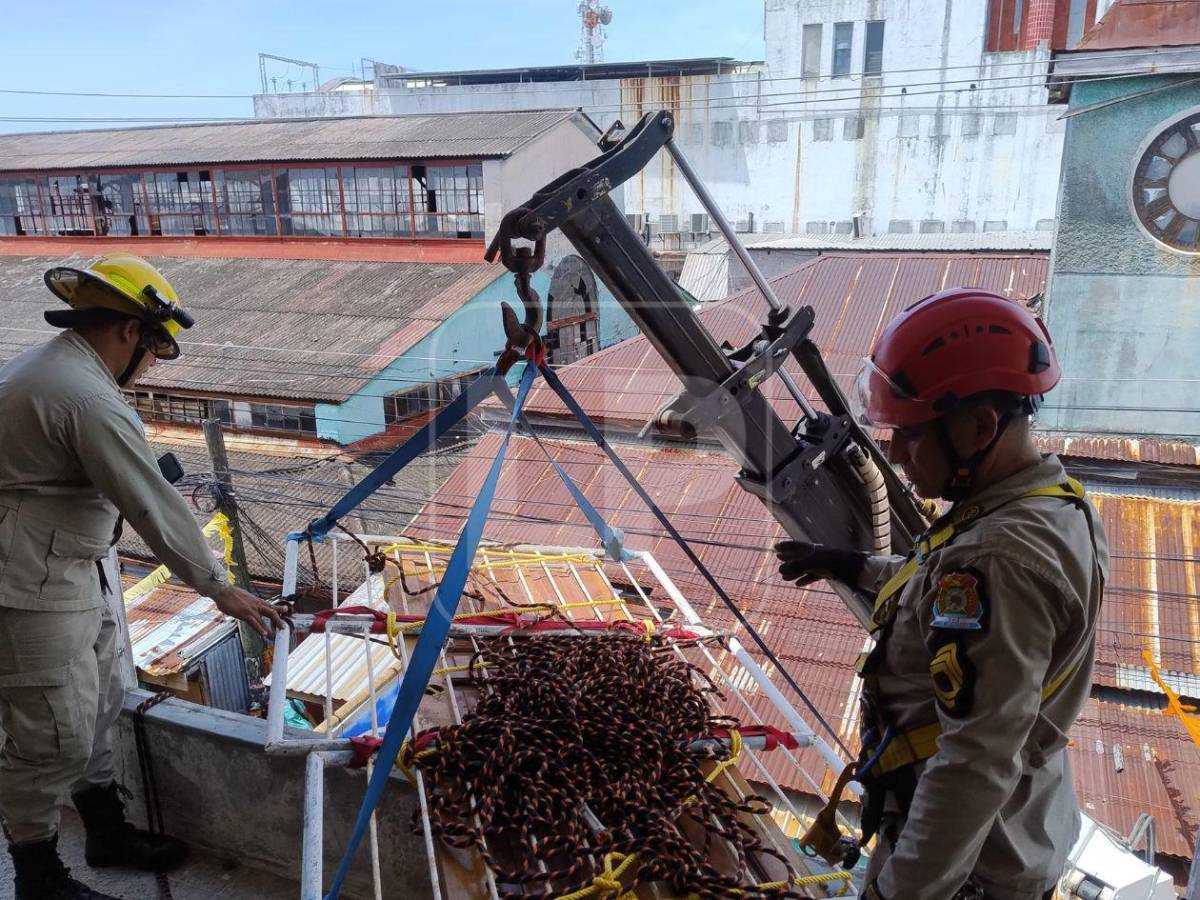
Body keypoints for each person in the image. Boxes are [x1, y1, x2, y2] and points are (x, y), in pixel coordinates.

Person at [776, 288, 1107, 900]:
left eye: (912, 436)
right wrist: (855, 565)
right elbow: (942, 588)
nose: (897, 456)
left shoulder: (998, 554)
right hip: (1001, 836)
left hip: (968, 868)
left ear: (981, 426)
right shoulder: (1048, 505)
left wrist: (895, 894)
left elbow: (975, 762)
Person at [0, 253, 285, 900]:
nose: (150, 367)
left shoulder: (58, 368)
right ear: (129, 332)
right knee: (51, 734)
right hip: (27, 586)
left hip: (67, 567)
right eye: (154, 352)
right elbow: (151, 503)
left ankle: (104, 830)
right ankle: (38, 877)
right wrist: (219, 587)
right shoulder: (85, 396)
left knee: (97, 702)